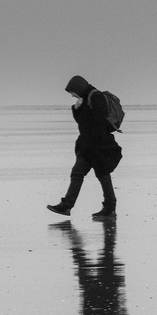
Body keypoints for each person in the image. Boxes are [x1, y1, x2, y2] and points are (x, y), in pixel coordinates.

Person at [47, 75, 122, 220]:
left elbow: (99, 123)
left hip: (97, 146)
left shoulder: (96, 97)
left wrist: (92, 144)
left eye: (72, 91)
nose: (71, 95)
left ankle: (109, 209)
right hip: (88, 145)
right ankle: (67, 205)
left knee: (102, 175)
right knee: (78, 173)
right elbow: (83, 122)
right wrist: (76, 109)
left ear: (78, 88)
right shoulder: (85, 99)